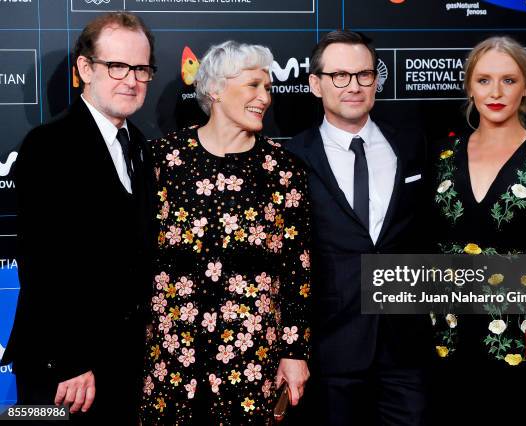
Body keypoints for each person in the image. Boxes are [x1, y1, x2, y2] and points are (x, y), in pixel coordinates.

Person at [139, 41, 311, 425]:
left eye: (267, 88)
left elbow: (297, 270)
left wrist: (294, 351)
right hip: (172, 352)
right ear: (214, 89)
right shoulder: (163, 159)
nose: (264, 97)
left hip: (251, 358)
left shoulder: (283, 170)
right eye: (252, 85)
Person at [0, 12, 156, 424]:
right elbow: (43, 260)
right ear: (84, 69)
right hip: (64, 367)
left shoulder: (137, 144)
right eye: (117, 66)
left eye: (141, 68)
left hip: (120, 361)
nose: (131, 79)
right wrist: (70, 360)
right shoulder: (49, 145)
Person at [285, 30, 432, 426]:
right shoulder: (290, 158)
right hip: (330, 347)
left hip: (405, 346)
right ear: (316, 84)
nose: (354, 86)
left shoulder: (412, 145)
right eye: (340, 76)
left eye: (364, 75)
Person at [430, 36, 526, 425]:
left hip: (519, 335)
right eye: (484, 80)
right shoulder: (441, 156)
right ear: (469, 86)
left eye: (509, 80)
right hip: (448, 335)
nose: (495, 92)